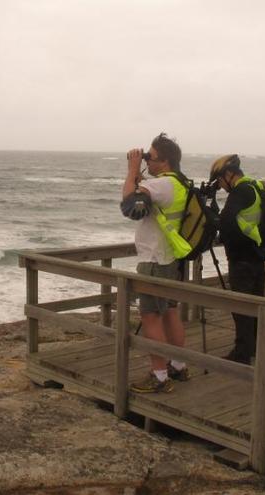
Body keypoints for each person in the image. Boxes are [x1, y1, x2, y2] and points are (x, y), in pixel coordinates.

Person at [120, 133, 189, 393]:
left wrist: (132, 170)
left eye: (152, 157)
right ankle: (178, 366)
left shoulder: (161, 186)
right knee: (170, 312)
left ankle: (159, 376)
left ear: (165, 161)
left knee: (151, 317)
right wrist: (139, 176)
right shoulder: (179, 184)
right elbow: (142, 198)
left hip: (153, 261)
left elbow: (128, 206)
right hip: (171, 259)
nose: (149, 160)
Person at [209, 154, 265, 365]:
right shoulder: (256, 185)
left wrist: (210, 209)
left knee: (242, 307)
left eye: (220, 180)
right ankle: (255, 348)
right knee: (256, 306)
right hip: (257, 255)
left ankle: (242, 353)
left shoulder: (240, 191)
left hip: (242, 258)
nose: (220, 186)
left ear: (229, 174)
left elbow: (224, 221)